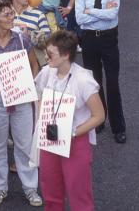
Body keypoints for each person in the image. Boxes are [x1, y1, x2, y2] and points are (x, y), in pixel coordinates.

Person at [0, 2, 42, 207]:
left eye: (11, 14)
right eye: (6, 15)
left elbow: (34, 65)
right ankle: (0, 187)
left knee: (24, 144)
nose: (11, 17)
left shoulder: (22, 39)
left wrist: (28, 85)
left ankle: (30, 189)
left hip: (20, 98)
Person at [34, 31, 105, 211]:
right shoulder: (47, 72)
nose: (45, 57)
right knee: (50, 193)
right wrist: (42, 112)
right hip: (50, 138)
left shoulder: (83, 81)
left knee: (78, 194)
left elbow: (99, 116)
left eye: (50, 54)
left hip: (75, 141)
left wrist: (72, 132)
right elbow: (39, 93)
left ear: (66, 55)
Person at [75, 0, 126, 144]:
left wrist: (91, 11)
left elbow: (113, 14)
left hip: (108, 39)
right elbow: (80, 19)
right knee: (94, 84)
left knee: (112, 84)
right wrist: (100, 14)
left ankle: (118, 127)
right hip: (89, 40)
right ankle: (99, 120)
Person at [5, 0, 51, 67]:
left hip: (34, 65)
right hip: (12, 65)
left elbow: (48, 41)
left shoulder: (38, 14)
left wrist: (29, 35)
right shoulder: (4, 14)